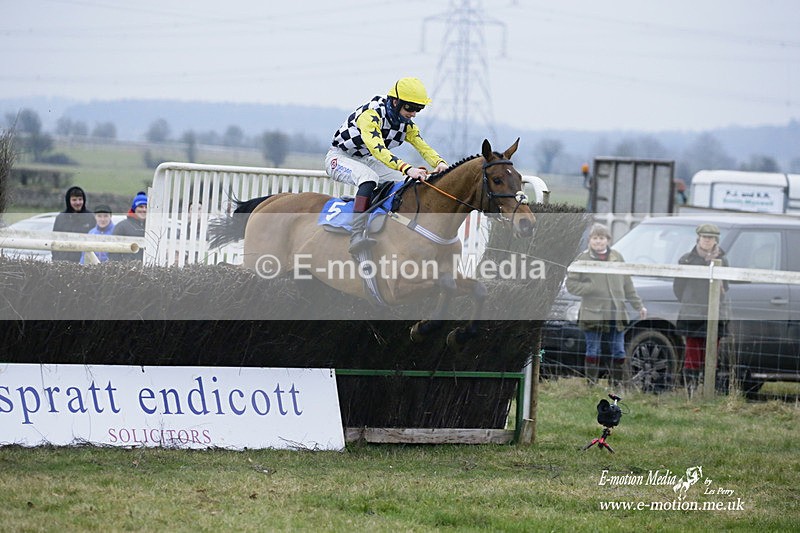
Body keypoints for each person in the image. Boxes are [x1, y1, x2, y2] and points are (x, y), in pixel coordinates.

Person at [325, 76, 449, 254]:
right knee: (369, 179)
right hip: (339, 157)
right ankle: (357, 234)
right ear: (396, 101)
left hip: (365, 159)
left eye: (418, 109)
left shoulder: (406, 125)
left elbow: (424, 148)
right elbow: (378, 150)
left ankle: (387, 226)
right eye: (410, 108)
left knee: (405, 182)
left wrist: (440, 163)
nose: (413, 113)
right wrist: (408, 168)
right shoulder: (371, 115)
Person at [566, 223, 647, 387]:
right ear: (590, 240)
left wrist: (638, 306)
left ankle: (617, 385)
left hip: (616, 313)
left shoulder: (617, 257)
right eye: (595, 238)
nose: (598, 241)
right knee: (593, 350)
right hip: (592, 314)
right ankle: (591, 385)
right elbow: (571, 284)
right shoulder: (583, 259)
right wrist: (589, 288)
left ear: (608, 240)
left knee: (618, 350)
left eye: (601, 238)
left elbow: (627, 284)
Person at [673, 223, 730, 396]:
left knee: (712, 354)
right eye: (705, 237)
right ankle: (691, 390)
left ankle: (709, 390)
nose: (707, 241)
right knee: (692, 354)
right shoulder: (686, 259)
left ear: (716, 240)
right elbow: (678, 288)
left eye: (711, 238)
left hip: (715, 314)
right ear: (698, 238)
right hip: (692, 314)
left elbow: (725, 287)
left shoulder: (722, 261)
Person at [52, 185, 94, 262]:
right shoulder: (60, 218)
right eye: (74, 200)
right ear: (69, 201)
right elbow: (54, 240)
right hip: (64, 261)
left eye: (80, 199)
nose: (78, 203)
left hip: (84, 261)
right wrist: (56, 259)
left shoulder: (90, 217)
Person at [110, 192, 146, 262]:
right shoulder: (121, 226)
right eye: (141, 206)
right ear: (134, 208)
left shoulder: (153, 228)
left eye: (146, 207)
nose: (144, 209)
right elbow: (113, 251)